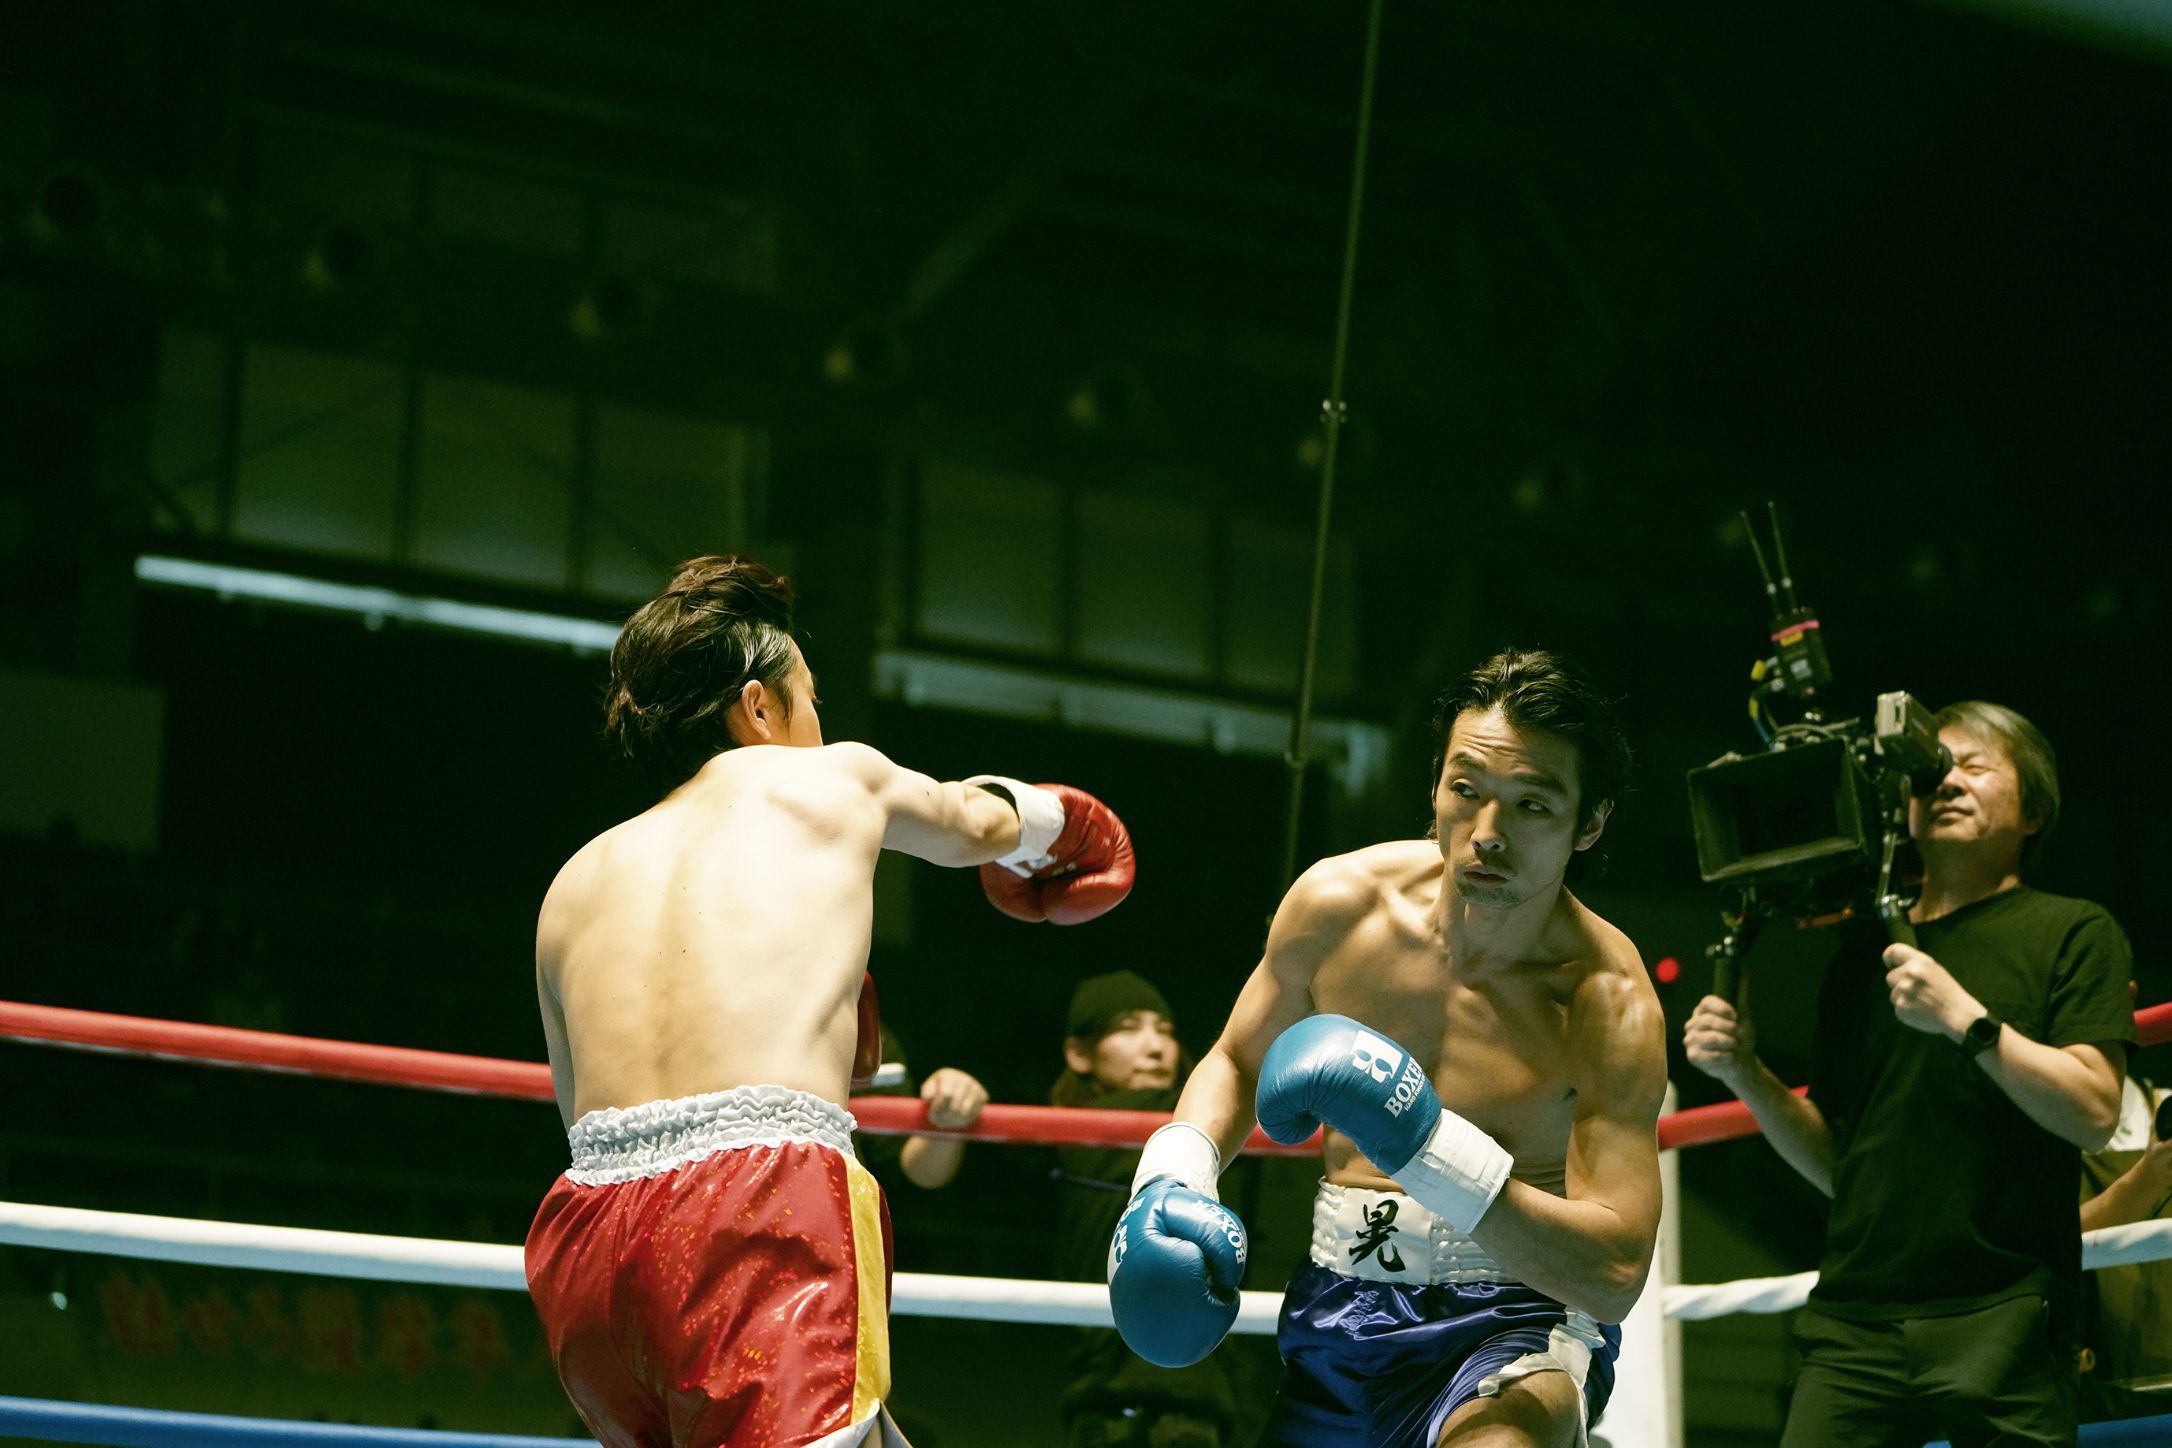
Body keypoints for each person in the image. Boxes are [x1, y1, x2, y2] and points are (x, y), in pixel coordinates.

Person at [522, 555, 1136, 1448]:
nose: (822, 725)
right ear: (758, 706)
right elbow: (975, 824)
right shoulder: (830, 779)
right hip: (755, 1206)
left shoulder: (574, 880)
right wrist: (1066, 826)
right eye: (809, 701)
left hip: (587, 1234)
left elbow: (577, 1109)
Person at [1108, 648, 1666, 1448]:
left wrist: (1426, 1148)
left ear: (1592, 822)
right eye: (1465, 790)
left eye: (1532, 806)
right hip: (1340, 1304)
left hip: (1514, 1319)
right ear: (1434, 785)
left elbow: (1614, 1273)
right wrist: (1173, 1177)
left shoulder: (1604, 1001)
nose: (1487, 834)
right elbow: (1235, 1061)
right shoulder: (1339, 907)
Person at [1685, 699, 2135, 1448]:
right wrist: (1744, 1072)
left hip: (2008, 1306)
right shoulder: (1861, 960)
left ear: (2034, 812)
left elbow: (2092, 1109)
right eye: (1930, 770)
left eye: (1977, 764)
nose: (1948, 780)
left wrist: (1966, 1020)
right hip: (1855, 1316)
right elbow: (1840, 1166)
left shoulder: (2074, 930)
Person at [1048, 971, 1239, 1448]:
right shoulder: (1066, 1130)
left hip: (1196, 1393)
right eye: (1129, 1028)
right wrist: (952, 1093)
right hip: (1103, 1391)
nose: (1155, 1047)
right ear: (1079, 1054)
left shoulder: (1214, 1128)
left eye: (1166, 1031)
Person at [2077, 1048, 2171, 1421]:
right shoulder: (2018, 1132)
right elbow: (2032, 1240)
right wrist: (2148, 1179)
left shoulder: (2161, 1105)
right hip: (2089, 1387)